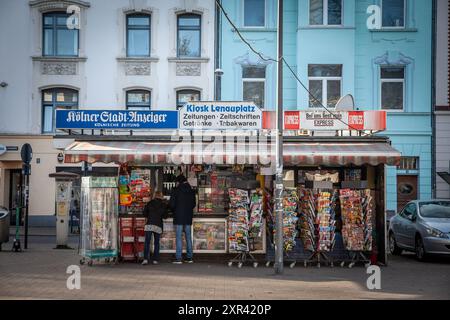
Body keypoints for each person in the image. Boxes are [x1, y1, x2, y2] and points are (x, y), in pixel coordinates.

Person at [170, 174, 196, 264]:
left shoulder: (175, 191)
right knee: (188, 237)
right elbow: (193, 205)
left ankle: (178, 258)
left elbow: (172, 205)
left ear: (178, 182)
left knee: (179, 237)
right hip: (188, 217)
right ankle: (189, 257)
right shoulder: (192, 191)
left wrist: (174, 210)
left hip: (178, 217)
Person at [142, 191, 169, 265]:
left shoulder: (150, 203)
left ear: (155, 196)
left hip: (149, 224)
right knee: (156, 243)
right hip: (158, 225)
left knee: (147, 242)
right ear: (161, 196)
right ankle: (155, 259)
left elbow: (144, 213)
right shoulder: (163, 205)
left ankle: (145, 259)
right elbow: (165, 216)